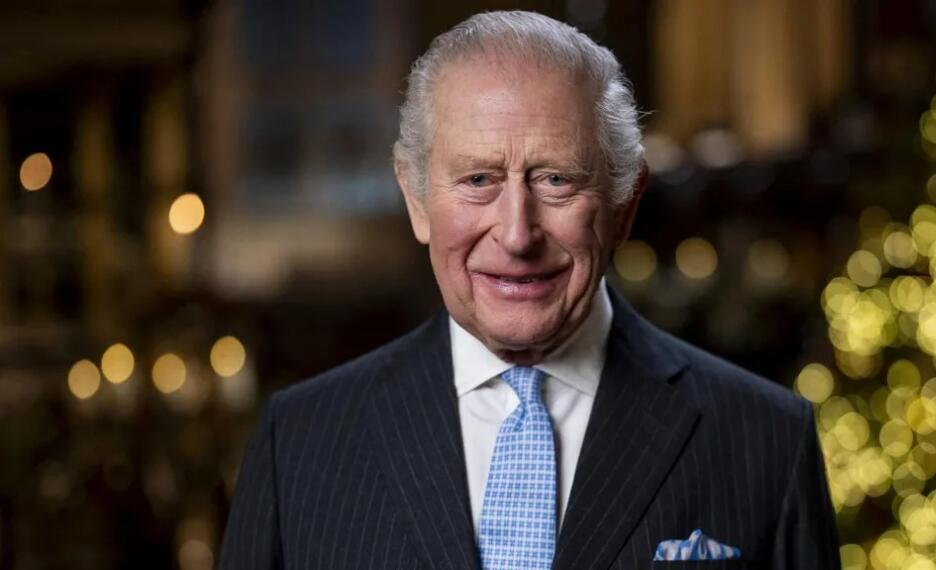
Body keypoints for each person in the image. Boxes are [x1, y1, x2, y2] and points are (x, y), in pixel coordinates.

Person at [219, 10, 840, 570]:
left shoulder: (767, 440)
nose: (517, 234)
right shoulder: (296, 444)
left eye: (556, 180)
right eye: (478, 179)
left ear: (624, 205)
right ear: (416, 199)